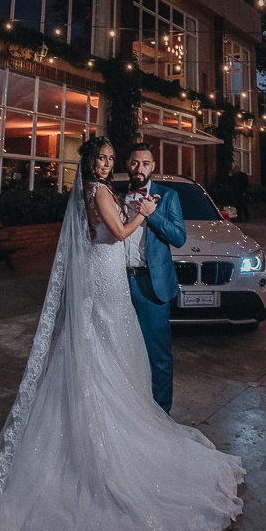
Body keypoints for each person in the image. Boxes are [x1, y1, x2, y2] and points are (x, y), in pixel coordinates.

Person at [0, 136, 243, 531]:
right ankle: (133, 436)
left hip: (131, 282)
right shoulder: (102, 191)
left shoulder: (128, 190)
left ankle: (148, 421)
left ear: (146, 165)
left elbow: (168, 234)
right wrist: (139, 213)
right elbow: (116, 234)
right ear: (92, 163)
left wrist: (148, 210)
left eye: (117, 159)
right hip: (108, 280)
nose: (113, 164)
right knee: (108, 358)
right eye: (104, 158)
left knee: (137, 361)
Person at [123, 143, 187, 413]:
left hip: (152, 284)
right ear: (128, 164)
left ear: (153, 166)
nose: (140, 169)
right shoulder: (116, 195)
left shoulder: (169, 196)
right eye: (136, 163)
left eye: (146, 164)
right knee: (122, 348)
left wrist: (153, 214)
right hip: (120, 282)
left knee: (157, 355)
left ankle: (162, 415)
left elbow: (179, 237)